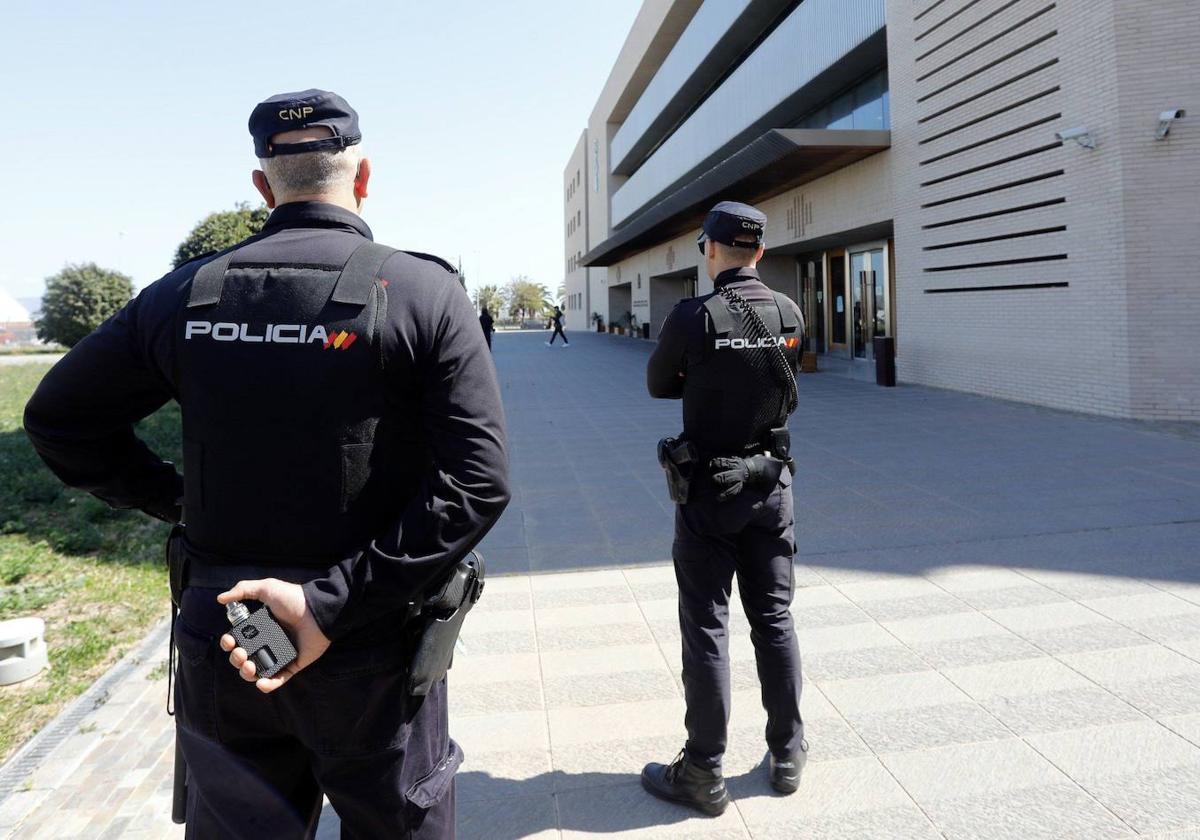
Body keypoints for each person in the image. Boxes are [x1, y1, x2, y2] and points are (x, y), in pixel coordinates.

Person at [23, 88, 510, 839]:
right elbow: (477, 481)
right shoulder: (422, 292)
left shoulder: (185, 295)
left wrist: (173, 500)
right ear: (364, 175)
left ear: (262, 185)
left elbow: (58, 419)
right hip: (370, 642)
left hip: (230, 633)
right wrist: (328, 607)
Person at [642, 201, 806, 815]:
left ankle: (704, 770)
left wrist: (705, 375)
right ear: (759, 252)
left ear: (709, 249)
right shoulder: (790, 311)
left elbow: (660, 384)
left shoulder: (694, 316)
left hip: (711, 493)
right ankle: (787, 753)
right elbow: (785, 383)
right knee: (775, 619)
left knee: (707, 627)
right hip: (771, 485)